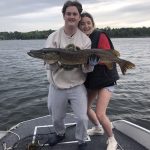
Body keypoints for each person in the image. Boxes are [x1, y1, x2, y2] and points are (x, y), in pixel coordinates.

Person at [44, 1, 92, 149]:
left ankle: (82, 140)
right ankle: (59, 133)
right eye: (68, 13)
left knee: (83, 118)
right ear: (64, 15)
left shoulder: (85, 40)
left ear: (79, 17)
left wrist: (90, 64)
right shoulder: (53, 37)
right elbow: (49, 66)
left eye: (74, 14)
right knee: (56, 117)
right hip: (57, 85)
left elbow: (86, 70)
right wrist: (52, 61)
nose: (71, 16)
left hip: (77, 84)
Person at [79, 12, 119, 150]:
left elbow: (108, 55)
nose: (85, 26)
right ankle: (97, 128)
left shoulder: (100, 35)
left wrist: (96, 62)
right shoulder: (81, 41)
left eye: (88, 22)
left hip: (106, 79)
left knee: (100, 113)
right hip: (93, 81)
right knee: (84, 108)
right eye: (82, 23)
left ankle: (112, 139)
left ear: (93, 24)